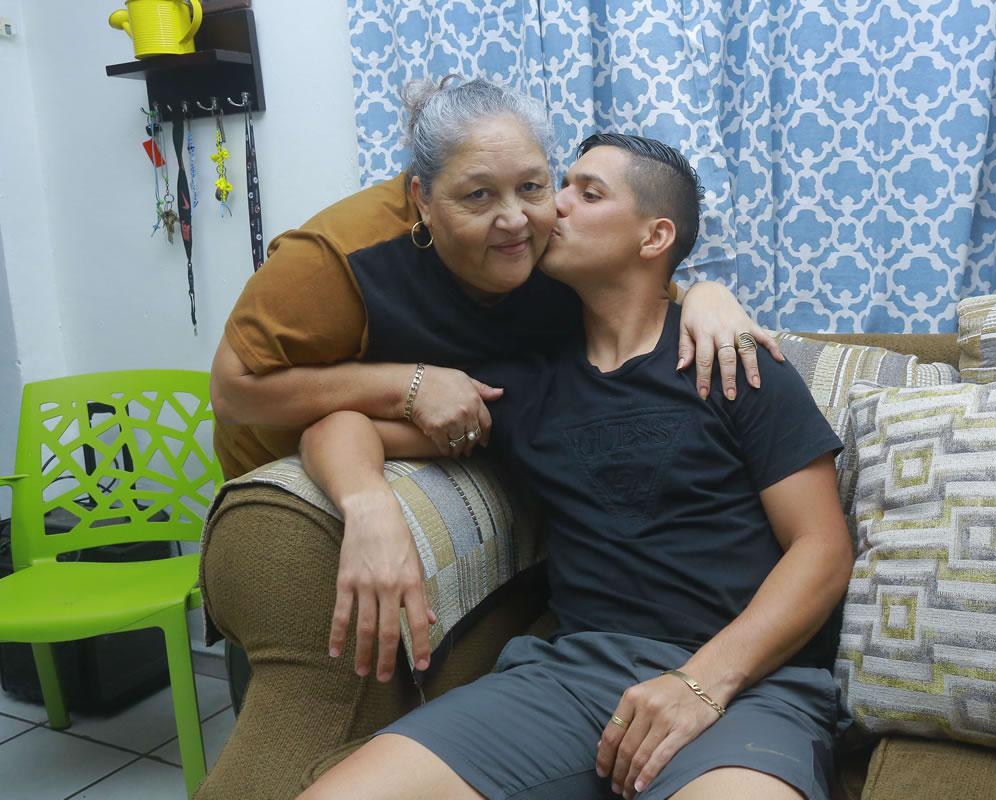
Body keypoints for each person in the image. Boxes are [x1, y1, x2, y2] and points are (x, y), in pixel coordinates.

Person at [198, 78, 784, 799]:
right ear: (422, 200)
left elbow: (641, 277)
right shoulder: (342, 261)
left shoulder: (710, 353)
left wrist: (706, 294)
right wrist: (376, 481)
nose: (527, 217)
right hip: (286, 499)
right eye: (478, 197)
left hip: (739, 680)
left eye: (543, 187)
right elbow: (245, 393)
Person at [295, 133, 854, 800]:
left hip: (751, 688)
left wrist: (700, 684)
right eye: (558, 187)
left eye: (586, 194)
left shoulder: (733, 361)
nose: (549, 208)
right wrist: (367, 506)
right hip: (570, 681)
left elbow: (821, 549)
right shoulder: (522, 384)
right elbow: (337, 426)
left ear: (654, 238)